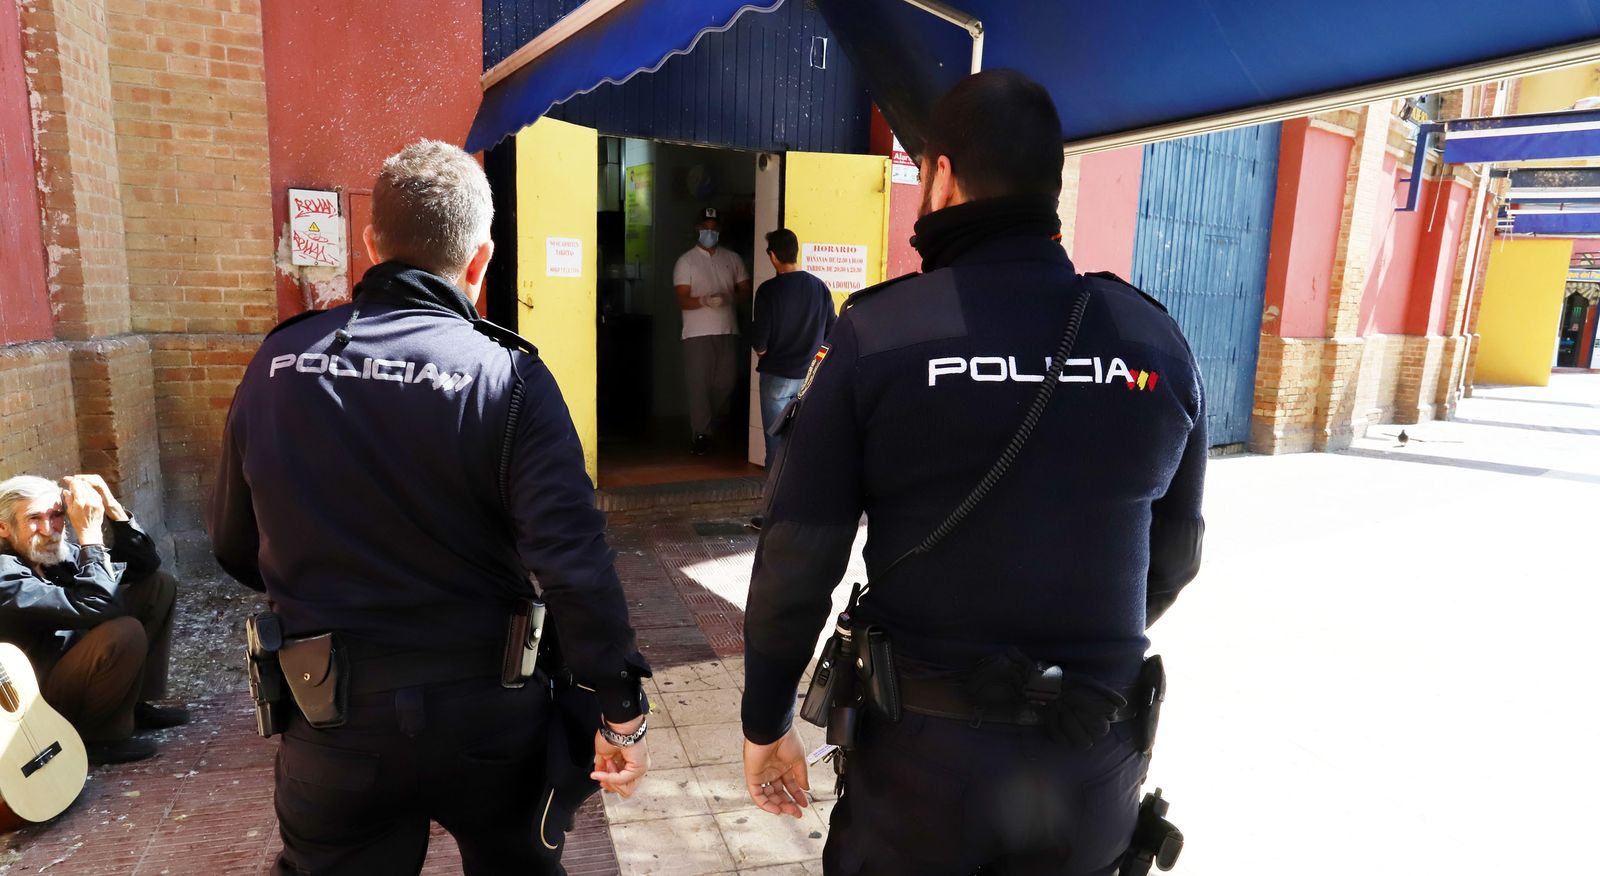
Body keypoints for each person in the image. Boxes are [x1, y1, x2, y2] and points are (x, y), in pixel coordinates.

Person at [739, 70, 1207, 875]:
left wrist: (766, 720)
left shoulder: (880, 334)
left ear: (944, 177)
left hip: (921, 782)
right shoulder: (1152, 340)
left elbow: (796, 560)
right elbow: (1175, 556)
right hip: (1091, 767)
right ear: (1051, 184)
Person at [209, 140, 652, 875]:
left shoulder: (277, 364)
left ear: (370, 243)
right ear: (481, 259)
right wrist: (619, 708)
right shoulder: (507, 375)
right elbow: (574, 564)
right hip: (489, 717)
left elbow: (232, 543)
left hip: (333, 717)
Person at [0, 474, 187, 765]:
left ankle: (131, 705)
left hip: (69, 665)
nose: (49, 529)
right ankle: (97, 736)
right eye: (34, 518)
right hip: (37, 702)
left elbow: (143, 566)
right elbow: (99, 605)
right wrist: (90, 536)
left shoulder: (51, 555)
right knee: (123, 632)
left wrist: (114, 510)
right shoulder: (5, 575)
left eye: (56, 515)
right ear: (3, 527)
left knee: (158, 587)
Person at [750, 228, 836, 471]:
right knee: (806, 441)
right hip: (810, 377)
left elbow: (760, 342)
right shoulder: (819, 287)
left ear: (773, 256)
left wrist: (762, 352)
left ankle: (775, 494)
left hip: (777, 377)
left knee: (776, 445)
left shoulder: (768, 290)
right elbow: (832, 333)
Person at [673, 206, 751, 455]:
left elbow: (746, 290)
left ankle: (710, 423)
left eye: (714, 228)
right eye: (705, 228)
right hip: (696, 333)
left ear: (720, 230)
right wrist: (704, 301)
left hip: (727, 330)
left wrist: (730, 297)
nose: (710, 232)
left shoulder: (732, 259)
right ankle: (701, 434)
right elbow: (682, 299)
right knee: (699, 386)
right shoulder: (686, 261)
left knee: (726, 383)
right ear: (698, 229)